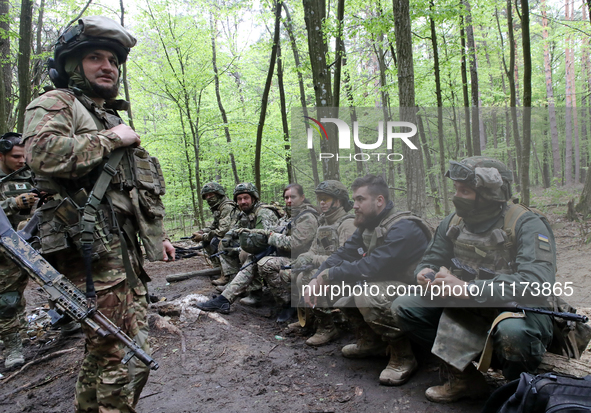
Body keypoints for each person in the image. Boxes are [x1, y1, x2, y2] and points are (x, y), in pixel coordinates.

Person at [23, 16, 174, 412]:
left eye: (112, 59)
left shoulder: (106, 115)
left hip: (122, 253)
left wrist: (157, 237)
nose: (108, 66)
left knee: (111, 350)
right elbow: (40, 154)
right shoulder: (59, 103)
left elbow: (128, 192)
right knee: (121, 357)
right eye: (94, 57)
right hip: (92, 256)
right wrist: (110, 139)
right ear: (72, 66)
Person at [392, 156, 556, 403]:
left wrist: (468, 289)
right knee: (405, 306)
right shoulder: (454, 221)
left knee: (513, 333)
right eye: (456, 189)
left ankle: (515, 396)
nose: (456, 196)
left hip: (520, 310)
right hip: (470, 304)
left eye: (465, 191)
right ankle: (464, 378)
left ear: (490, 194)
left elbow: (537, 282)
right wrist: (425, 273)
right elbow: (432, 258)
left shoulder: (526, 223)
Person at [303, 175, 431, 386]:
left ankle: (403, 356)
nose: (355, 205)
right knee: (342, 293)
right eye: (354, 200)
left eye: (360, 199)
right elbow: (343, 254)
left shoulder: (404, 227)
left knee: (366, 294)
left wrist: (328, 275)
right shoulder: (368, 225)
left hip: (418, 292)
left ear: (379, 200)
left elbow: (372, 266)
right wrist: (318, 277)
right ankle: (372, 343)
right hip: (388, 286)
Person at [238, 183, 318, 322]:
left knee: (265, 263)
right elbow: (276, 229)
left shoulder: (307, 217)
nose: (289, 200)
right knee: (250, 256)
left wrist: (271, 236)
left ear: (302, 197)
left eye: (292, 197)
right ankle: (278, 300)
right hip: (287, 256)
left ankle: (288, 303)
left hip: (303, 259)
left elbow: (294, 243)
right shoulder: (288, 216)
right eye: (286, 197)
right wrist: (253, 232)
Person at [289, 180, 356, 345]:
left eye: (326, 199)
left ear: (339, 201)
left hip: (346, 277)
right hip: (324, 271)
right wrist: (304, 257)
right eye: (320, 199)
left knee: (306, 278)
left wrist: (313, 260)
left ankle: (327, 327)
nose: (321, 203)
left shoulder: (347, 224)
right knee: (290, 274)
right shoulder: (323, 222)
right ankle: (309, 319)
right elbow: (313, 249)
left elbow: (346, 259)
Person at [207, 182, 280, 306]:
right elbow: (236, 227)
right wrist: (229, 236)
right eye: (239, 199)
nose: (243, 202)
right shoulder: (244, 213)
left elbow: (264, 241)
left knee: (246, 252)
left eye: (246, 198)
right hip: (258, 244)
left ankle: (255, 293)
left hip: (273, 250)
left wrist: (237, 249)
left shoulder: (263, 213)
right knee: (223, 244)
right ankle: (234, 281)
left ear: (253, 198)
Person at [0, 132, 37, 369]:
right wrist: (13, 204)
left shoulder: (29, 175)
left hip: (32, 241)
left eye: (24, 156)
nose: (21, 161)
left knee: (57, 282)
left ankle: (67, 324)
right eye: (15, 157)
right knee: (7, 300)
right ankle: (13, 348)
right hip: (4, 250)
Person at [191, 182, 237, 282]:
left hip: (235, 236)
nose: (208, 197)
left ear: (219, 194)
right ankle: (218, 268)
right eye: (206, 196)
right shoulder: (218, 207)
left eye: (211, 195)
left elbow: (222, 231)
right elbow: (215, 226)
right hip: (228, 234)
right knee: (207, 242)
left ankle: (227, 274)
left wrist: (202, 237)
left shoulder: (227, 207)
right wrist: (202, 232)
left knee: (217, 242)